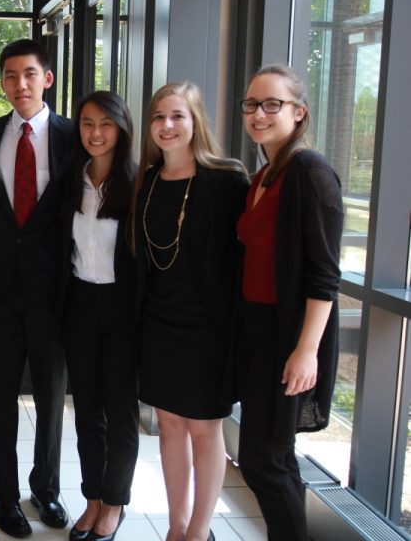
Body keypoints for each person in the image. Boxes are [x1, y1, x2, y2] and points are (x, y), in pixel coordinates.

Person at [132, 82, 248, 541]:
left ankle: (200, 531)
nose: (166, 125)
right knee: (170, 427)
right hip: (159, 324)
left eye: (177, 115)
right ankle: (176, 526)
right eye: (159, 117)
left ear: (196, 120)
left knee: (204, 429)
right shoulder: (149, 180)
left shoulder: (226, 180)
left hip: (209, 329)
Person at [235, 64, 343, 541]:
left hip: (289, 337)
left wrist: (306, 350)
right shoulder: (263, 175)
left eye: (272, 104)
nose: (259, 113)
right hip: (257, 331)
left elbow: (324, 274)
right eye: (252, 104)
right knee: (275, 459)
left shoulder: (310, 171)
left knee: (262, 461)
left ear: (298, 112)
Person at [0, 38, 72, 538]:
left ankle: (47, 488)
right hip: (0, 287)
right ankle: (5, 494)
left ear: (47, 79)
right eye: (10, 76)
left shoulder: (74, 137)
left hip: (55, 289)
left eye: (29, 74)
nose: (20, 84)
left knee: (52, 395)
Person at [60, 91, 138, 541]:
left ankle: (114, 503)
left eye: (105, 124)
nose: (95, 133)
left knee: (121, 413)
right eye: (87, 123)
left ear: (121, 129)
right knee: (87, 411)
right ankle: (91, 498)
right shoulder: (74, 179)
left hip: (121, 310)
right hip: (80, 306)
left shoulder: (137, 184)